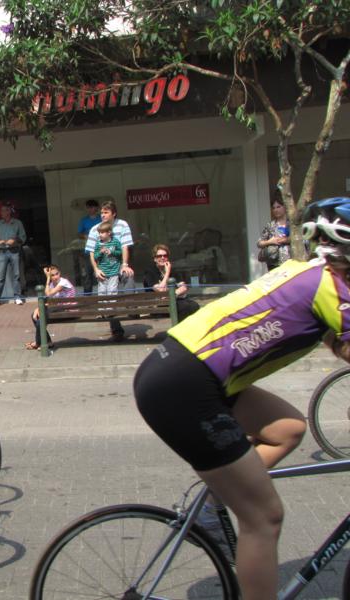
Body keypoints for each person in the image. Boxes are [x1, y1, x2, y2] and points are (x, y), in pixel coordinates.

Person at [133, 196, 350, 600]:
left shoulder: (306, 274)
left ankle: (216, 498)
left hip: (182, 371)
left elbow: (334, 340)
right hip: (185, 384)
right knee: (264, 517)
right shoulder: (332, 288)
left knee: (288, 429)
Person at [84, 200, 134, 341]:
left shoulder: (123, 225)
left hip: (119, 264)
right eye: (101, 213)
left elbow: (125, 246)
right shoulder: (95, 229)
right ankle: (116, 329)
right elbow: (91, 252)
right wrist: (96, 269)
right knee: (106, 292)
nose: (102, 215)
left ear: (114, 213)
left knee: (128, 276)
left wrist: (125, 264)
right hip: (103, 268)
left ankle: (132, 308)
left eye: (106, 212)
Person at [142, 243, 200, 321]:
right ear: (155, 258)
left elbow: (183, 287)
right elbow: (161, 290)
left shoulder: (172, 269)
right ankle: (179, 328)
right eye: (159, 256)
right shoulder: (150, 271)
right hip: (158, 305)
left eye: (165, 256)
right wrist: (167, 273)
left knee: (194, 305)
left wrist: (173, 294)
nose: (162, 258)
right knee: (184, 307)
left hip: (173, 300)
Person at [25, 264, 75, 350]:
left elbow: (48, 294)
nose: (55, 277)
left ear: (60, 273)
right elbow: (49, 300)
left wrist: (48, 277)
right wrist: (39, 308)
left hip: (69, 311)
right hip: (59, 309)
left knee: (41, 319)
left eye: (57, 274)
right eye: (52, 275)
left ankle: (39, 343)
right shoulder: (52, 284)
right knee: (34, 315)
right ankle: (48, 342)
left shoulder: (63, 282)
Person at [0, 203, 27, 306]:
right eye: (1, 211)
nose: (1, 213)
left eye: (3, 210)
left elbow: (23, 238)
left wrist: (14, 240)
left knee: (16, 275)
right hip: (3, 252)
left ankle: (17, 297)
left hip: (15, 251)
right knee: (0, 276)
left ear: (9, 211)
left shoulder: (17, 223)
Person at [257, 196, 291, 271]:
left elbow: (301, 239)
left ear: (284, 207)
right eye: (273, 208)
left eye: (278, 207)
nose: (276, 210)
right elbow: (259, 243)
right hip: (274, 264)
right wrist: (270, 241)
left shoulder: (292, 224)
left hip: (291, 262)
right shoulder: (270, 225)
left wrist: (286, 240)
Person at [77, 199, 101, 294]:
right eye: (88, 207)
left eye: (92, 207)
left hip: (101, 249)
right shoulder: (84, 220)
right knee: (87, 273)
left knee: (102, 271)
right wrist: (85, 236)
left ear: (96, 208)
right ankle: (87, 296)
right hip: (88, 250)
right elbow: (79, 233)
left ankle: (104, 294)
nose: (90, 209)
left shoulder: (101, 218)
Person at [92, 221, 122, 296]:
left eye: (102, 233)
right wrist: (100, 252)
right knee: (102, 292)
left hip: (114, 271)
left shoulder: (115, 241)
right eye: (99, 233)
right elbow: (95, 257)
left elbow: (120, 253)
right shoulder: (98, 244)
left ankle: (111, 304)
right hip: (103, 272)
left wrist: (112, 252)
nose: (100, 235)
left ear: (109, 232)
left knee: (112, 291)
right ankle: (102, 304)